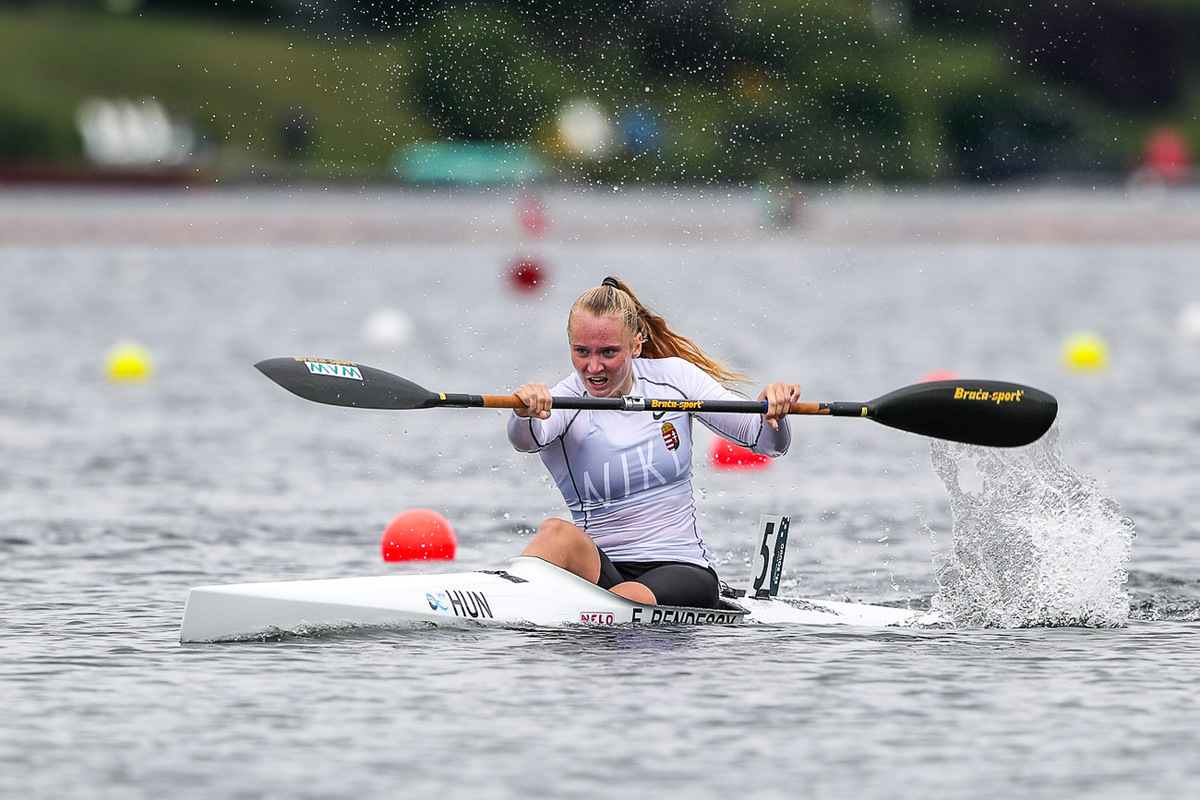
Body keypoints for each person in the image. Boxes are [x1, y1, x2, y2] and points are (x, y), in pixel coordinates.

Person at [508, 276, 801, 609]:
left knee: (623, 599)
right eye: (582, 352)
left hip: (680, 568)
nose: (593, 367)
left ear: (636, 344)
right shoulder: (564, 401)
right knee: (555, 532)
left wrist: (771, 410)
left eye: (608, 352)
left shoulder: (675, 379)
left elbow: (765, 442)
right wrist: (523, 411)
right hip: (604, 569)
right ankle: (507, 594)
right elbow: (527, 440)